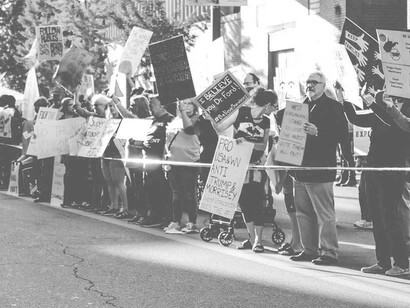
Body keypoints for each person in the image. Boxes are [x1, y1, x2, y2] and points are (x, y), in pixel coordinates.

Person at [340, 88, 410, 276]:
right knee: (376, 218)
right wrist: (343, 97)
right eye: (386, 97)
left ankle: (402, 262)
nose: (391, 101)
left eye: (395, 98)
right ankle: (383, 261)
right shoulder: (378, 114)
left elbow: (395, 122)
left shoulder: (400, 117)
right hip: (372, 170)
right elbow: (355, 118)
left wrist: (376, 104)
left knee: (390, 217)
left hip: (392, 173)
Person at [289, 71, 346, 266]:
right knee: (303, 213)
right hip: (299, 168)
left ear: (324, 85)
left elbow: (341, 136)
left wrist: (318, 132)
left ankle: (329, 252)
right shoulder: (299, 106)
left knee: (324, 214)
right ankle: (309, 249)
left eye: (314, 82)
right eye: (308, 81)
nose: (310, 85)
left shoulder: (334, 107)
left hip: (321, 168)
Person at [210, 88, 278, 252]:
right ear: (268, 104)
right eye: (274, 106)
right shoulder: (241, 112)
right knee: (244, 202)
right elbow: (220, 128)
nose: (275, 109)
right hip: (238, 164)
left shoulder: (266, 121)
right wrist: (211, 116)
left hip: (255, 165)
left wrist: (246, 142)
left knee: (258, 201)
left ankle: (259, 240)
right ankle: (250, 237)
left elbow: (262, 145)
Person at [164, 98, 202, 234]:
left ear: (194, 106)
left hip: (189, 162)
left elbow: (190, 130)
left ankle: (192, 222)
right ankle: (176, 221)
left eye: (188, 103)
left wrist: (183, 112)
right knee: (176, 194)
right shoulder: (175, 120)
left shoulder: (197, 119)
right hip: (173, 161)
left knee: (189, 194)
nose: (184, 105)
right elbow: (167, 140)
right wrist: (165, 158)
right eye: (183, 103)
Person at [138, 96, 174, 227]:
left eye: (152, 105)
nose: (149, 108)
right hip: (147, 162)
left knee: (163, 190)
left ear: (162, 106)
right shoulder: (152, 121)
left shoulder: (171, 120)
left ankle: (166, 217)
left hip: (161, 163)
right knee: (150, 190)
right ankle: (154, 215)